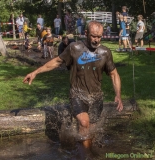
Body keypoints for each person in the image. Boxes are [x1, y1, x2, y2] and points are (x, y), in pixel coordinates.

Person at [23, 21, 123, 157]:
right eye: (94, 36)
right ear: (86, 33)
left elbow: (114, 74)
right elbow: (56, 62)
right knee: (84, 122)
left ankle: (79, 148)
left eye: (99, 37)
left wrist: (118, 94)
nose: (97, 40)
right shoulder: (74, 48)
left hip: (96, 96)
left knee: (90, 131)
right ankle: (86, 155)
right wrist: (35, 72)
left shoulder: (105, 52)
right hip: (78, 94)